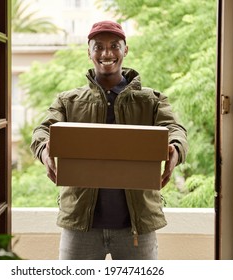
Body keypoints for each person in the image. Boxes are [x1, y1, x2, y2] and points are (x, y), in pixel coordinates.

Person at [30, 20, 188, 260]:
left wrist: (175, 149)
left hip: (137, 228)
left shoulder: (151, 100)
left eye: (114, 45)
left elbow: (175, 129)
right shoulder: (67, 101)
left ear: (126, 50)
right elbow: (41, 132)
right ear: (89, 52)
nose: (106, 53)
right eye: (98, 46)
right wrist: (44, 150)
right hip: (80, 226)